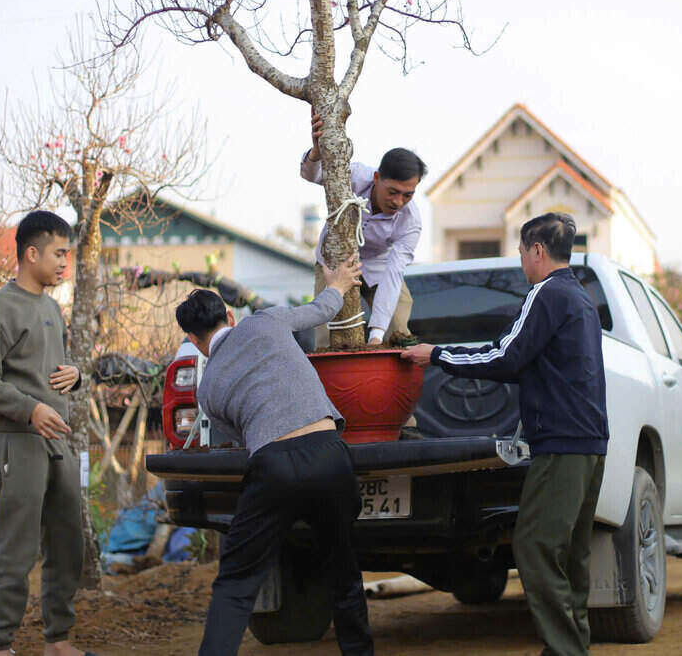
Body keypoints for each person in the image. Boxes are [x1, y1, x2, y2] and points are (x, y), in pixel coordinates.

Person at [401, 213, 609, 656]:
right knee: (570, 553)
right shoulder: (580, 296)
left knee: (534, 547)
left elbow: (506, 356)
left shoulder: (545, 293)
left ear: (536, 250)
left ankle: (567, 650)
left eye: (520, 252)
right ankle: (571, 647)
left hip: (561, 443)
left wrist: (437, 354)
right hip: (589, 442)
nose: (520, 262)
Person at [177, 254, 374, 656]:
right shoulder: (264, 320)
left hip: (274, 467)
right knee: (344, 574)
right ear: (230, 316)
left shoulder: (208, 389)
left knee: (236, 583)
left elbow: (244, 442)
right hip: (330, 455)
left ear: (193, 340)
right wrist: (338, 281)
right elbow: (321, 310)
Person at [0, 210, 96, 656]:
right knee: (16, 551)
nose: (65, 263)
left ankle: (57, 641)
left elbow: (52, 370)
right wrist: (30, 410)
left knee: (67, 545)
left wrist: (75, 375)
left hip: (58, 441)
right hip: (18, 442)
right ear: (31, 253)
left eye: (69, 254)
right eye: (59, 253)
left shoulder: (52, 309)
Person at [302, 111, 424, 347]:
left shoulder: (411, 221)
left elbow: (393, 274)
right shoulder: (354, 177)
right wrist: (316, 153)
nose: (398, 202)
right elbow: (313, 175)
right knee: (328, 335)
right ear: (377, 178)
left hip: (379, 265)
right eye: (392, 192)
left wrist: (377, 335)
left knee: (398, 331)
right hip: (334, 262)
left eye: (407, 195)